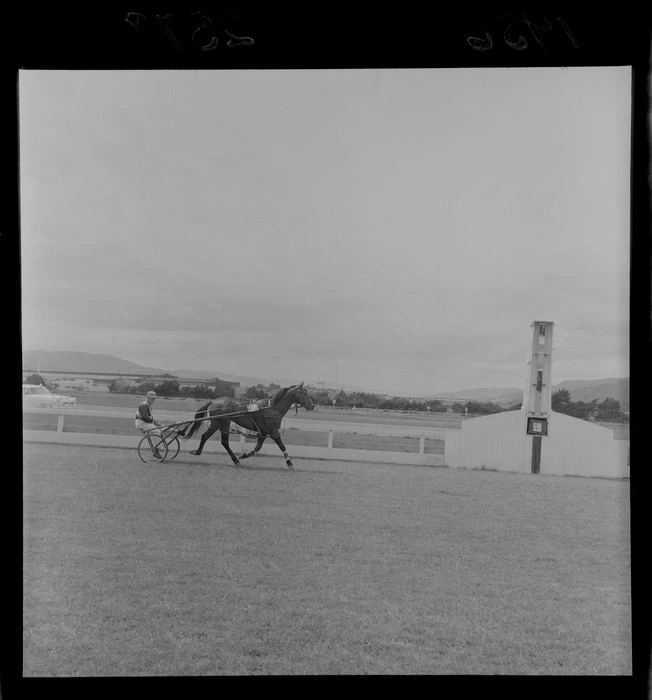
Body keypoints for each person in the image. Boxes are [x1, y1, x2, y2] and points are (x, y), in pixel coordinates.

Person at [135, 391, 166, 458]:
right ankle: (156, 450)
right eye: (152, 398)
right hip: (142, 424)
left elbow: (148, 418)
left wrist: (156, 422)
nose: (153, 400)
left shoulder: (147, 405)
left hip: (144, 423)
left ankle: (156, 447)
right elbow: (145, 417)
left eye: (154, 399)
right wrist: (153, 420)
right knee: (157, 431)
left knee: (160, 427)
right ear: (148, 397)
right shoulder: (144, 405)